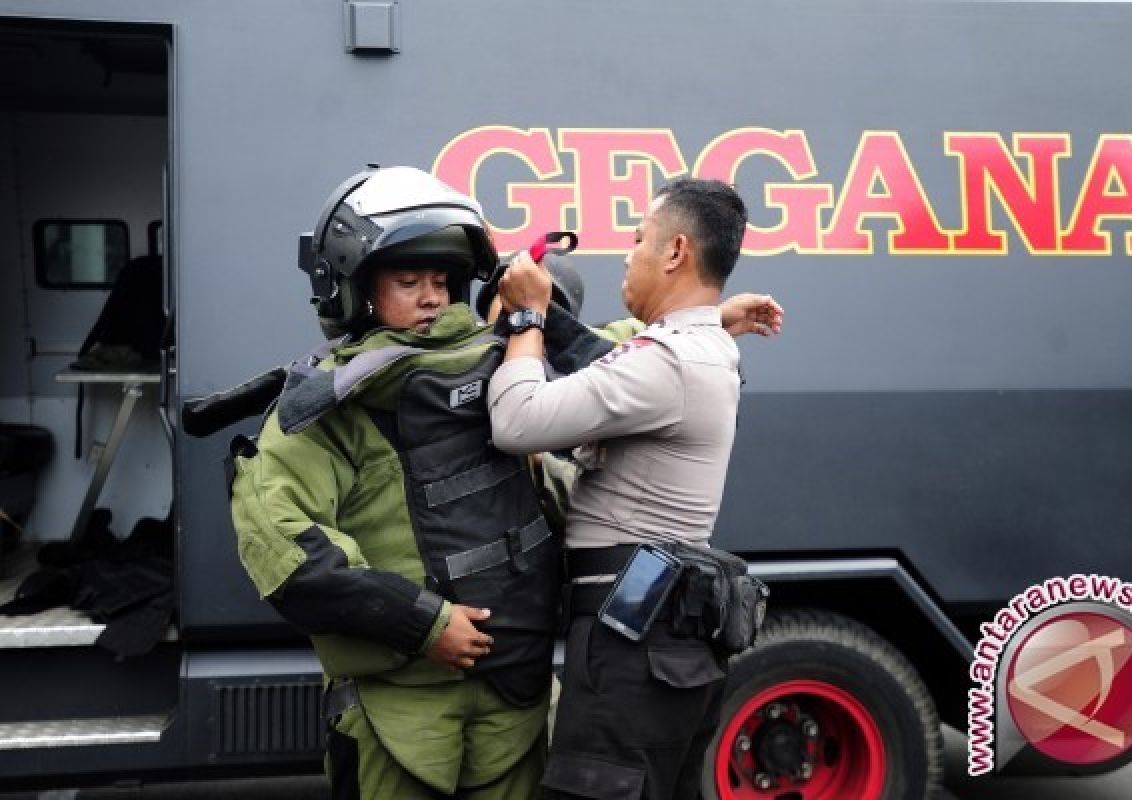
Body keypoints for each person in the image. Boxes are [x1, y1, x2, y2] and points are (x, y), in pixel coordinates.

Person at [229, 166, 780, 799]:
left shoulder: (507, 355)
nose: (433, 297)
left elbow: (627, 355)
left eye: (441, 280)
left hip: (514, 701)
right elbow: (286, 552)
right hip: (402, 714)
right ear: (354, 290)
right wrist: (424, 624)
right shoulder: (333, 408)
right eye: (408, 282)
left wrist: (708, 316)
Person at [488, 178, 770, 800]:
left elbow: (517, 422)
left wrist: (528, 318)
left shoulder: (668, 360)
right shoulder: (696, 350)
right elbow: (601, 365)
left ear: (674, 252)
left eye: (638, 238)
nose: (627, 253)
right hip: (660, 633)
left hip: (630, 645)